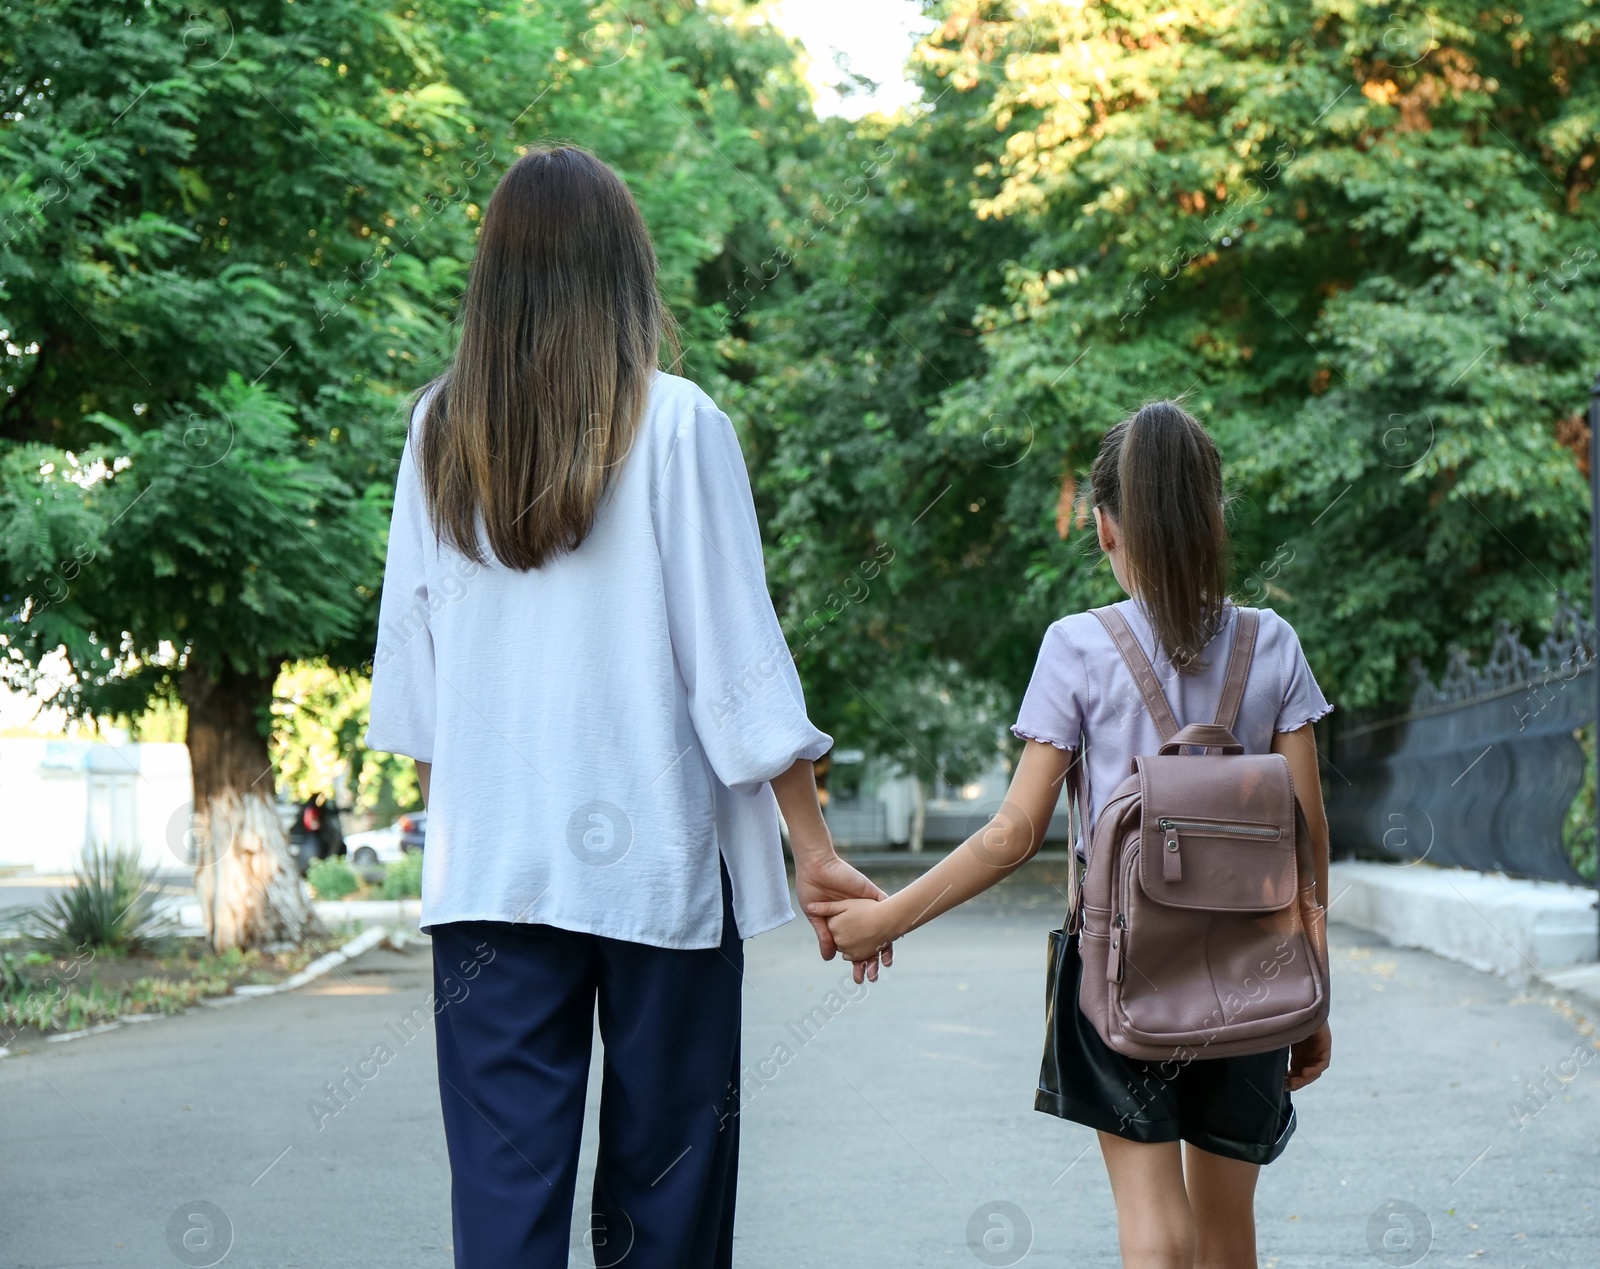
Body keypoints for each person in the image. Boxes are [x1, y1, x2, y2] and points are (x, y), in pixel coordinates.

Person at [365, 145, 887, 1269]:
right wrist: (812, 847)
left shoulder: (437, 433)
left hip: (491, 877)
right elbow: (736, 663)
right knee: (669, 1204)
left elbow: (415, 679)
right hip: (657, 876)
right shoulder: (680, 422)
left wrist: (460, 841)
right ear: (626, 272)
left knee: (503, 1206)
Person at [814, 401, 1334, 1269]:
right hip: (1256, 972)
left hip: (1120, 974)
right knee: (1227, 1235)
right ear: (1213, 517)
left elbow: (1013, 833)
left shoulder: (1077, 647)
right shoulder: (1272, 644)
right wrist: (1315, 999)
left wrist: (886, 917)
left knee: (1156, 1230)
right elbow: (1307, 848)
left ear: (1103, 528)